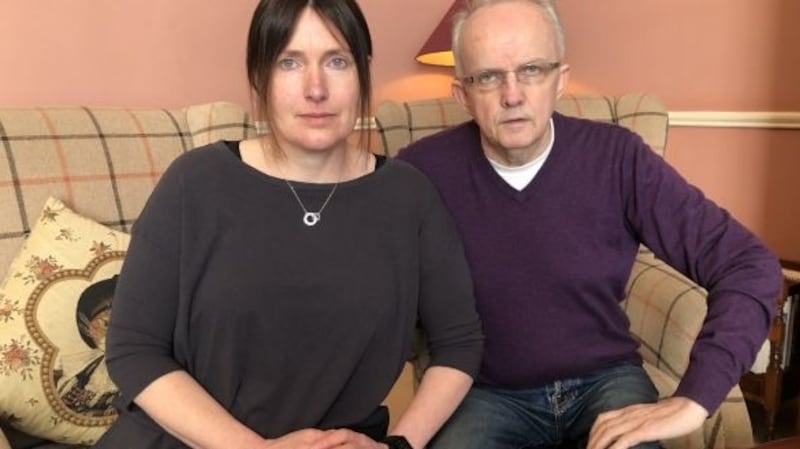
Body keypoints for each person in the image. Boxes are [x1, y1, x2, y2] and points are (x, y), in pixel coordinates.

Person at [96, 1, 483, 448]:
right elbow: (133, 348)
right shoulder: (194, 182)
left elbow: (460, 342)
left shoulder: (409, 196)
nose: (315, 88)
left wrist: (397, 445)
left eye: (337, 61)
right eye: (289, 62)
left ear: (362, 73)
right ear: (260, 77)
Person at [396, 1, 782, 448]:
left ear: (560, 80)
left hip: (606, 381)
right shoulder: (421, 173)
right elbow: (366, 290)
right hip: (487, 393)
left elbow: (748, 263)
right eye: (488, 77)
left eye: (533, 70)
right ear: (461, 93)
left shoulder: (619, 158)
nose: (513, 94)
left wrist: (694, 400)